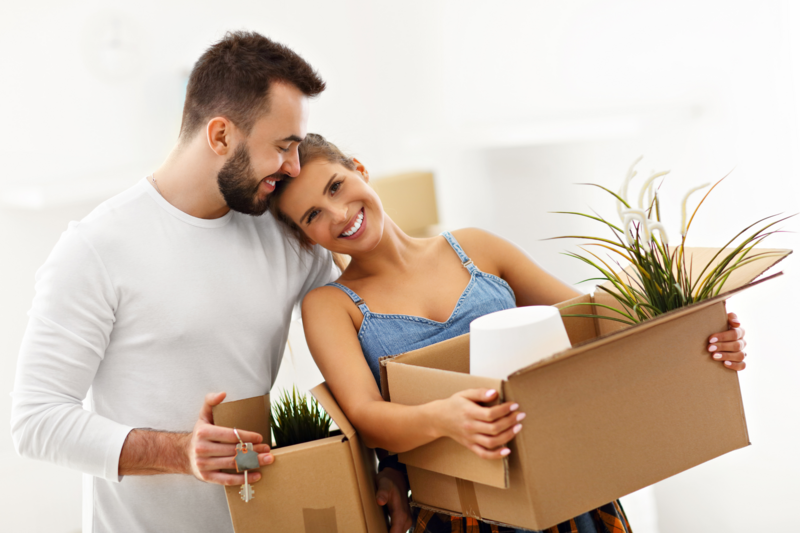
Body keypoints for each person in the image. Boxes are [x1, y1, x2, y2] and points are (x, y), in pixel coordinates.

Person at [10, 33, 410, 533]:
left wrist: (391, 467)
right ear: (220, 136)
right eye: (283, 146)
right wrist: (180, 452)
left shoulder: (282, 234)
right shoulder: (96, 248)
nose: (293, 166)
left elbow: (370, 342)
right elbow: (37, 422)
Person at [267, 133, 749, 533]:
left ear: (359, 169)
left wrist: (698, 335)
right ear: (305, 235)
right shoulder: (330, 306)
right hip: (463, 514)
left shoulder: (475, 248)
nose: (336, 215)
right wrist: (445, 418)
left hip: (570, 490)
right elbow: (368, 418)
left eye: (335, 187)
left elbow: (595, 323)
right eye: (312, 216)